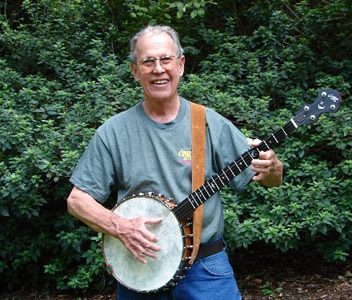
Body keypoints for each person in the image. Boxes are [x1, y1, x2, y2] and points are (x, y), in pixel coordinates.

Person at [67, 25, 283, 300]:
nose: (158, 69)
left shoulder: (208, 123)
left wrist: (273, 168)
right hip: (142, 266)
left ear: (180, 65)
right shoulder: (113, 132)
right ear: (135, 71)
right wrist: (120, 227)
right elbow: (76, 201)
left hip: (205, 268)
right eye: (148, 61)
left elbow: (270, 181)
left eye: (166, 59)